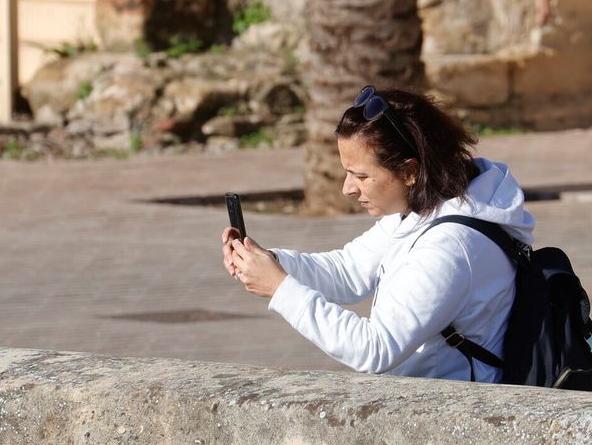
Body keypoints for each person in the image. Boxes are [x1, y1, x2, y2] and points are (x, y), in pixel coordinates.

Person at [222, 85, 533, 382]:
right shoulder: (426, 208)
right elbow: (346, 271)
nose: (347, 188)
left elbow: (375, 349)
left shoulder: (449, 247)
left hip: (457, 415)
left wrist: (280, 288)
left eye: (360, 175)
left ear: (410, 172)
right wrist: (268, 263)